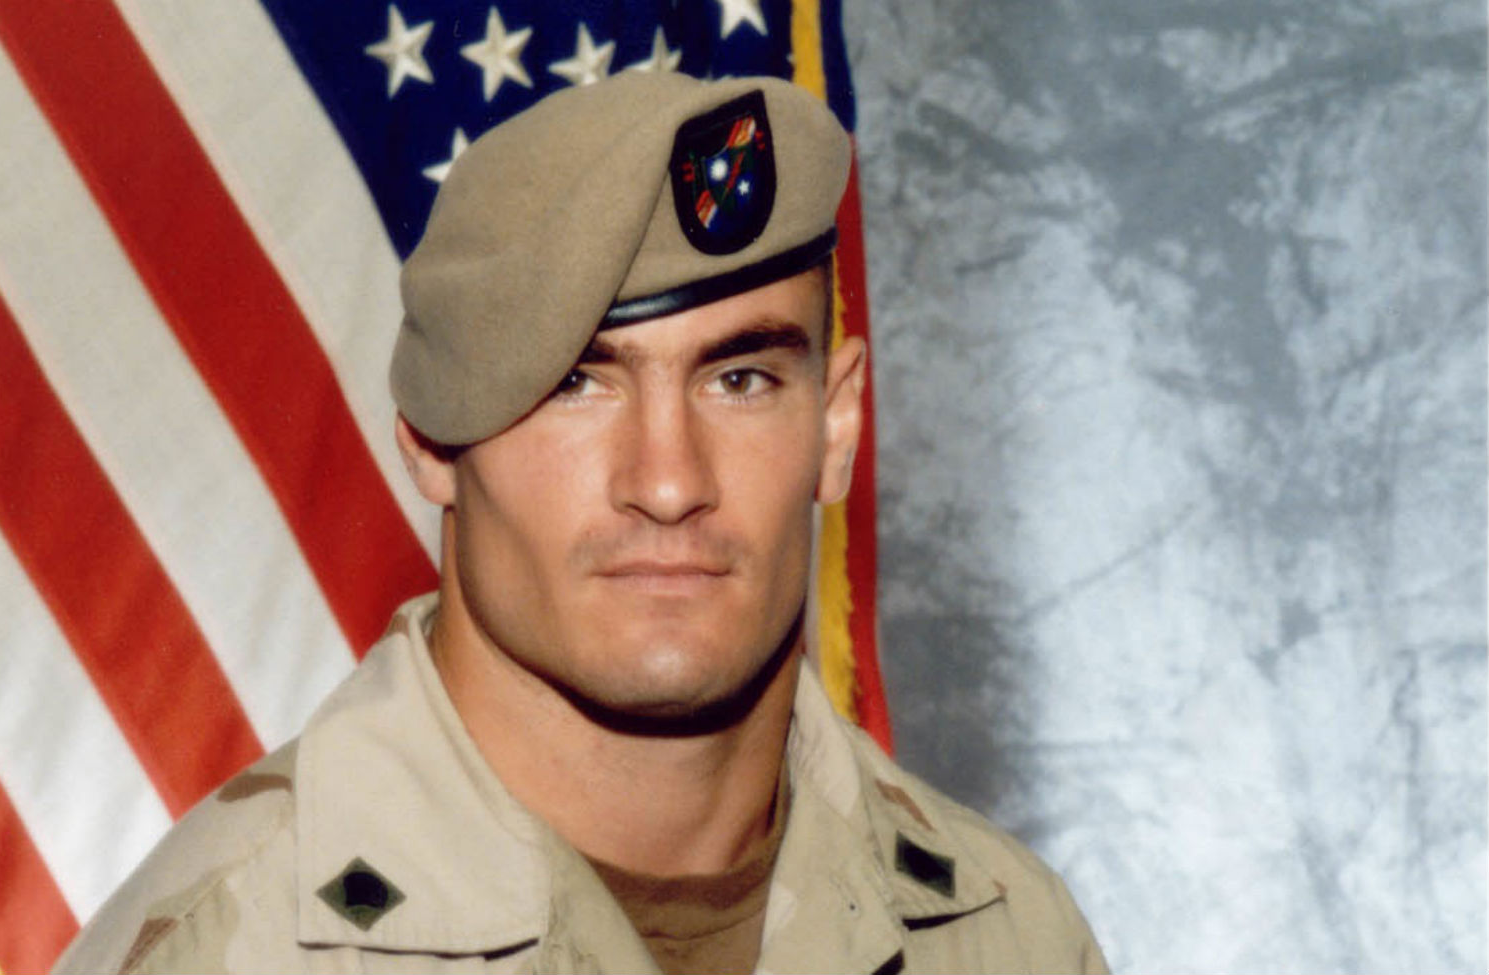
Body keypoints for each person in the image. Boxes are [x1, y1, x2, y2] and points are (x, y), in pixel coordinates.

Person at [54, 72, 1107, 975]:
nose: (668, 482)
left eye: (740, 378)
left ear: (836, 425)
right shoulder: (233, 948)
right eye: (576, 384)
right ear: (431, 441)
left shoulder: (1004, 934)